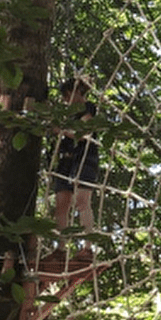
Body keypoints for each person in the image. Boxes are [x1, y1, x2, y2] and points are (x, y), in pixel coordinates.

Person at [50, 76, 101, 236]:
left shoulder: (88, 107)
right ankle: (60, 248)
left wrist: (61, 131)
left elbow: (84, 132)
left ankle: (87, 247)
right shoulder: (66, 115)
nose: (66, 100)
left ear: (78, 92)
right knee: (61, 204)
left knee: (82, 201)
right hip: (66, 160)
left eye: (67, 95)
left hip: (85, 157)